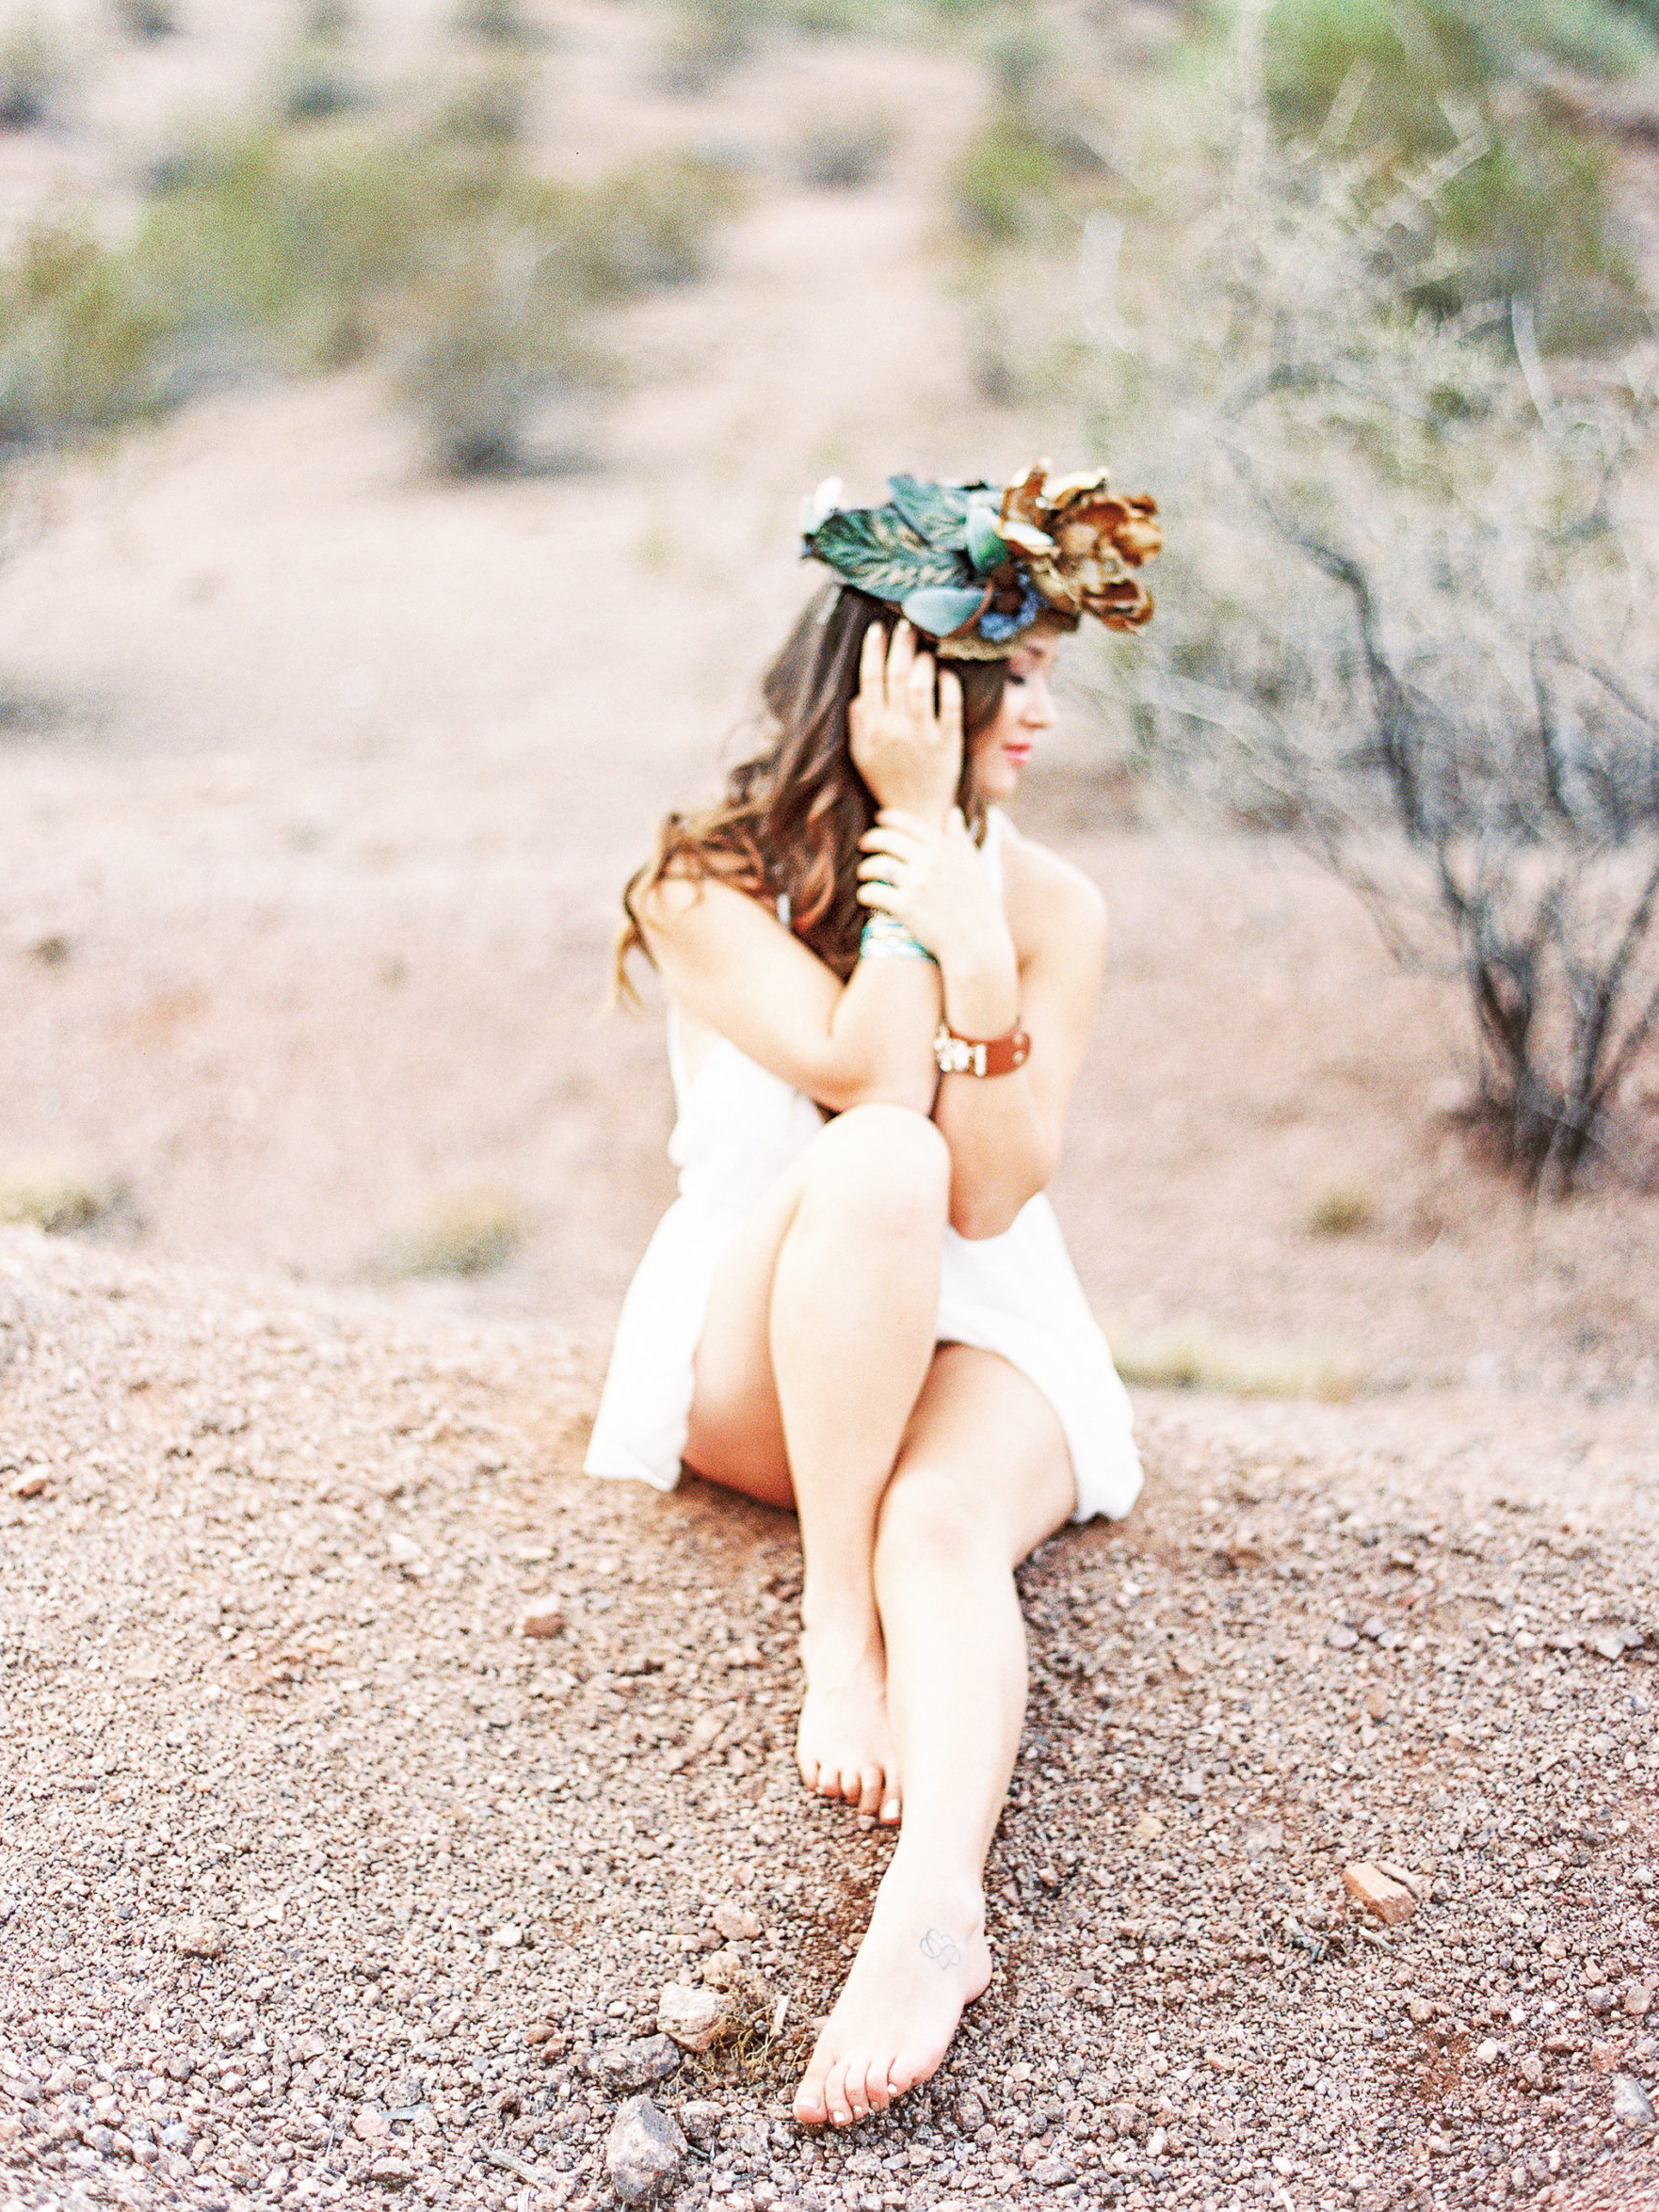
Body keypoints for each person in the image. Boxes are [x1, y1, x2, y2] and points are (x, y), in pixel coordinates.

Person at [589, 466, 1161, 2128]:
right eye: (1015, 670)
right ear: (904, 686)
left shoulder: (1054, 907)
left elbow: (998, 1187)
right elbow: (863, 1077)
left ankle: (933, 1913)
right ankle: (837, 1623)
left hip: (982, 1316)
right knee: (880, 1160)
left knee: (948, 1526)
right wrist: (917, 843)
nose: (1043, 709)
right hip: (770, 1337)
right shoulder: (700, 887)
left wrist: (977, 940)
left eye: (1051, 672)